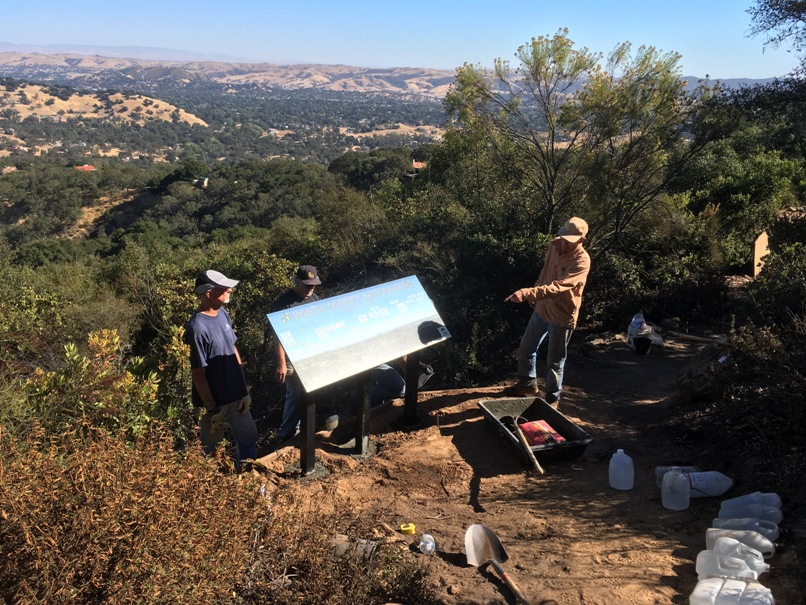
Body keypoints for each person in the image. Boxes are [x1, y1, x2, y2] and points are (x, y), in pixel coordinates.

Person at [505, 217, 592, 408]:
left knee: (554, 362)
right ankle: (527, 384)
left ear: (581, 240)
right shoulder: (554, 246)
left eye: (568, 240)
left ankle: (552, 400)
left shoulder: (582, 261)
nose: (563, 243)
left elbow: (560, 287)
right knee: (526, 348)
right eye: (562, 237)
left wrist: (528, 293)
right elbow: (545, 273)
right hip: (542, 309)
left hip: (562, 316)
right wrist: (535, 294)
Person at [185, 269, 258, 467]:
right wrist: (211, 408)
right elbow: (198, 374)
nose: (229, 291)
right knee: (210, 452)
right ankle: (212, 490)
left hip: (236, 394)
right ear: (208, 293)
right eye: (223, 288)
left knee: (249, 437)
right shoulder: (197, 328)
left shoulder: (222, 313)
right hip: (216, 403)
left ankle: (247, 476)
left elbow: (232, 348)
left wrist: (244, 390)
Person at [269, 264, 338, 442]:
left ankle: (310, 423)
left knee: (314, 388)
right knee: (295, 393)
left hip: (311, 353)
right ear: (297, 282)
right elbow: (277, 336)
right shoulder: (284, 303)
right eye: (307, 285)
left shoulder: (313, 297)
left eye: (314, 284)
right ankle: (288, 433)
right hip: (292, 356)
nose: (311, 288)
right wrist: (282, 364)